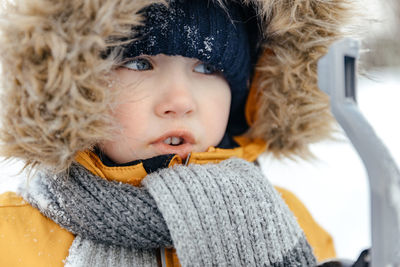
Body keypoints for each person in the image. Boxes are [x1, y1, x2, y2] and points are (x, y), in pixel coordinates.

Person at [0, 0, 351, 266]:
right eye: (139, 63)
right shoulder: (11, 235)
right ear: (74, 90)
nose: (180, 102)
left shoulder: (285, 219)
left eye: (207, 67)